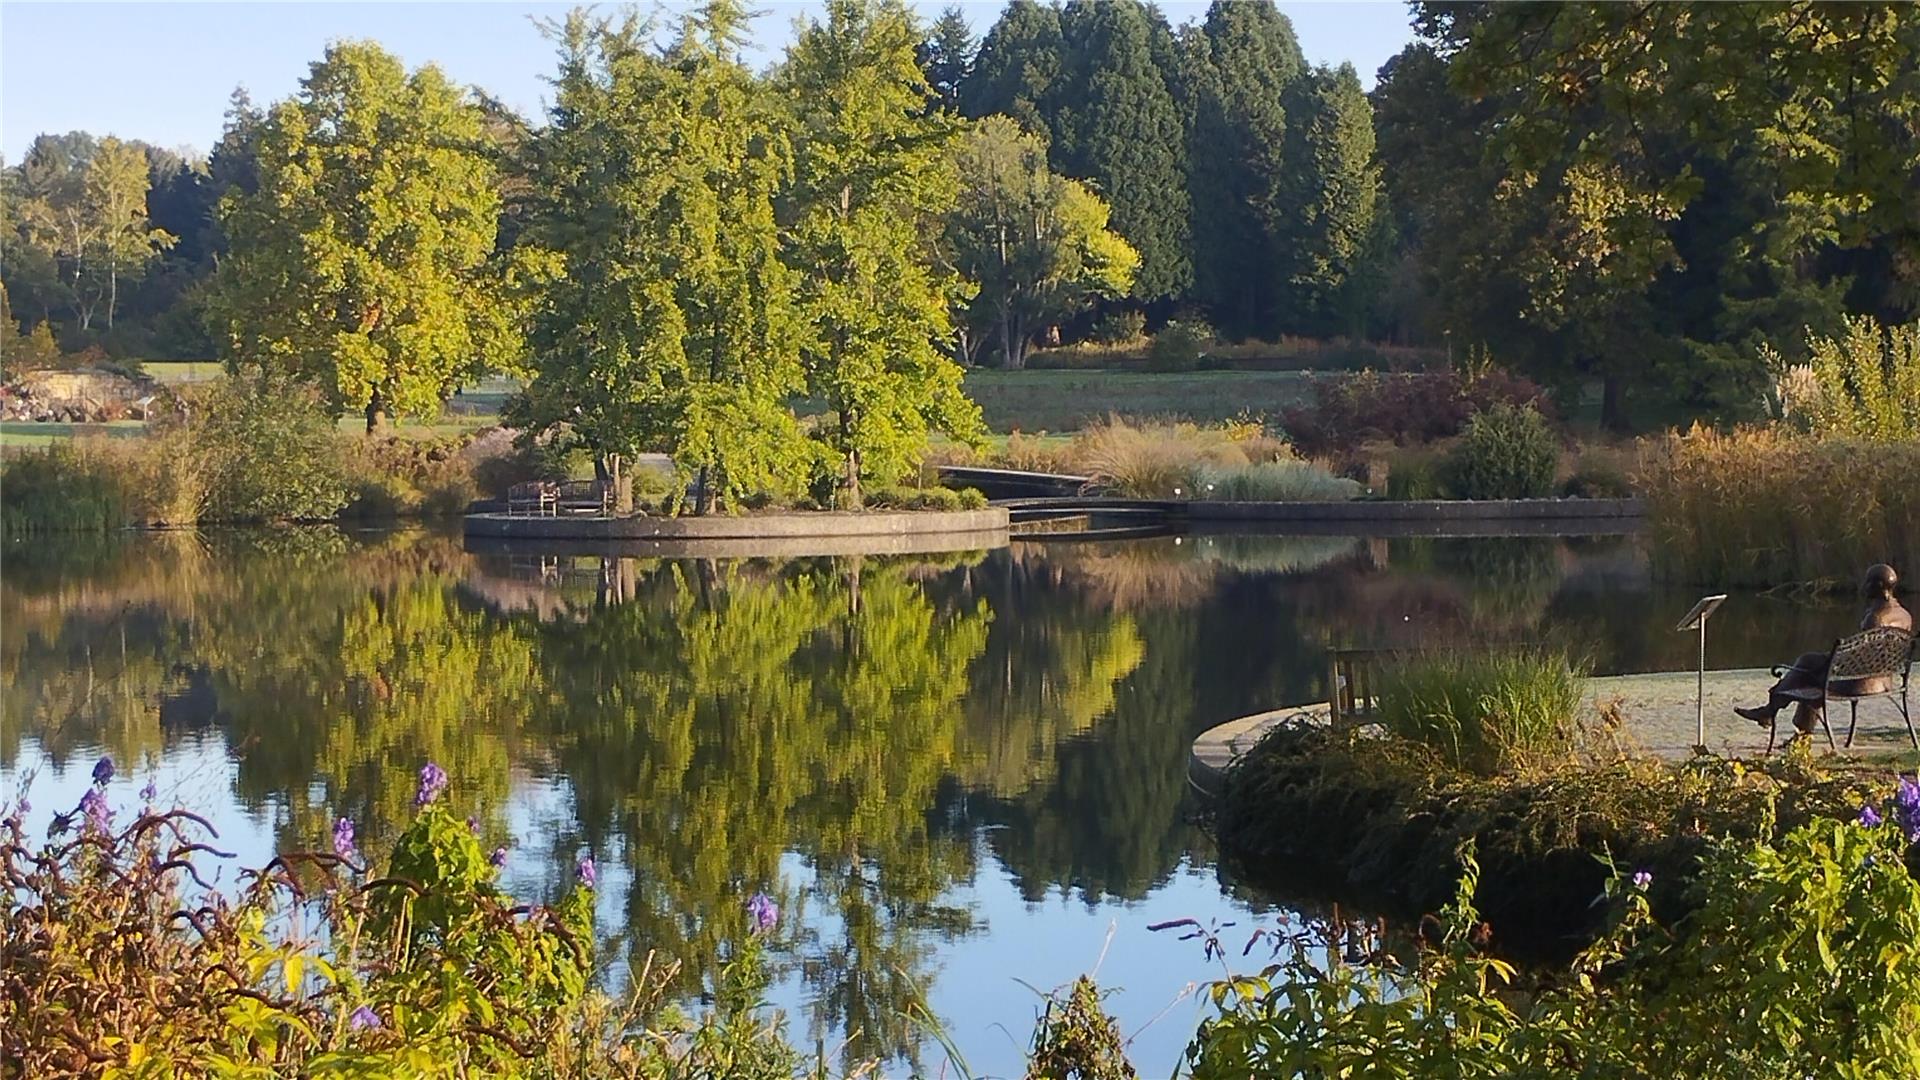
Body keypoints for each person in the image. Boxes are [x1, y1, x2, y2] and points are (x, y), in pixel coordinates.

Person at [1735, 563, 1912, 733]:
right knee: (1810, 666)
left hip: (1861, 683)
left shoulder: (1875, 618)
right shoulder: (1904, 615)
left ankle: (1772, 712)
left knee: (1808, 670)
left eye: (1868, 582)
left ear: (1878, 586)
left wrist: (1834, 660)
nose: (1864, 585)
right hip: (1884, 681)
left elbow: (1864, 658)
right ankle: (1780, 719)